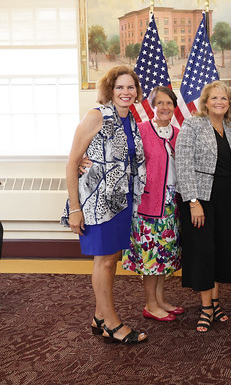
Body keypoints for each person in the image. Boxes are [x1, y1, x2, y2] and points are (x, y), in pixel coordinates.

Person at [61, 65, 147, 344]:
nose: (126, 92)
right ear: (110, 90)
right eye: (120, 87)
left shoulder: (131, 119)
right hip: (97, 203)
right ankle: (111, 322)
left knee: (112, 259)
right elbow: (73, 161)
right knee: (106, 261)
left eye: (130, 87)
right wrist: (75, 208)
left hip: (121, 202)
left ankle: (99, 317)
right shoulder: (96, 116)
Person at [176, 81, 231, 333]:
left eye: (224, 99)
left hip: (227, 199)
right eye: (214, 98)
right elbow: (182, 163)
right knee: (203, 251)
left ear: (229, 104)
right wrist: (193, 201)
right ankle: (205, 308)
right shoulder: (192, 124)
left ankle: (215, 302)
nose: (219, 102)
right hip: (200, 200)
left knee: (221, 251)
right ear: (205, 102)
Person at [120, 86, 183, 322]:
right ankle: (150, 304)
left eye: (169, 103)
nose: (165, 108)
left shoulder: (178, 133)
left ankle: (160, 299)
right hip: (147, 205)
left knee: (163, 255)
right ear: (152, 106)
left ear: (174, 107)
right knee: (150, 256)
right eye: (160, 103)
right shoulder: (142, 131)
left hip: (170, 203)